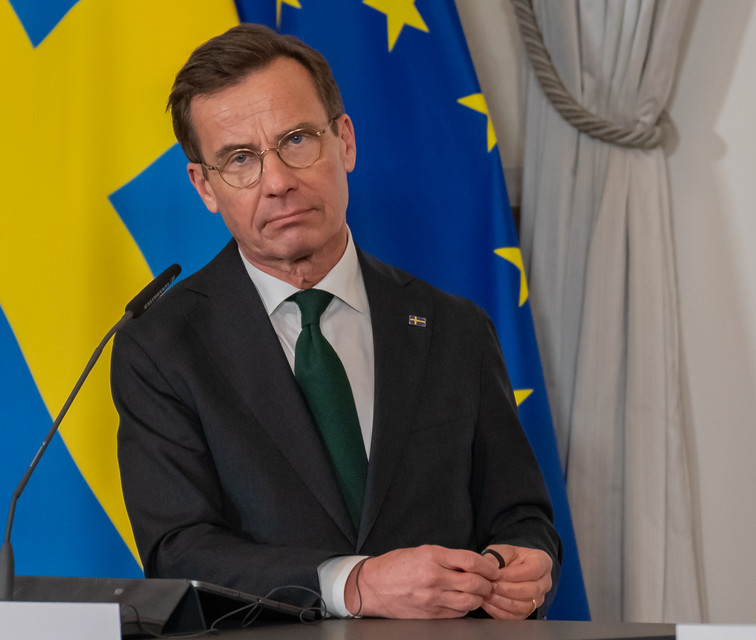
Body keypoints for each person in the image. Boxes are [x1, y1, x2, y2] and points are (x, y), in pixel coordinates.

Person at [111, 23, 560, 620]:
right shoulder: (162, 347)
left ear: (344, 141)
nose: (278, 182)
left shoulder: (455, 328)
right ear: (205, 187)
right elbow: (177, 551)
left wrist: (525, 561)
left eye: (297, 139)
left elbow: (521, 516)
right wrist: (353, 584)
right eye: (240, 159)